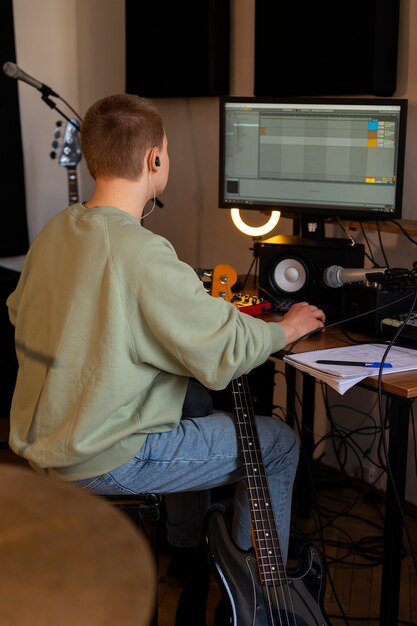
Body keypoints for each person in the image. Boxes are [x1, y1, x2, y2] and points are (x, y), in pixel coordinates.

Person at [7, 94, 325, 619]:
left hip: (48, 440)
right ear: (155, 160)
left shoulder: (55, 232)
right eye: (168, 154)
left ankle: (187, 552)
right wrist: (285, 329)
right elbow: (225, 350)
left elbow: (25, 312)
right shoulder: (144, 252)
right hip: (108, 458)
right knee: (280, 443)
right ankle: (247, 600)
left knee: (195, 399)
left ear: (93, 158)